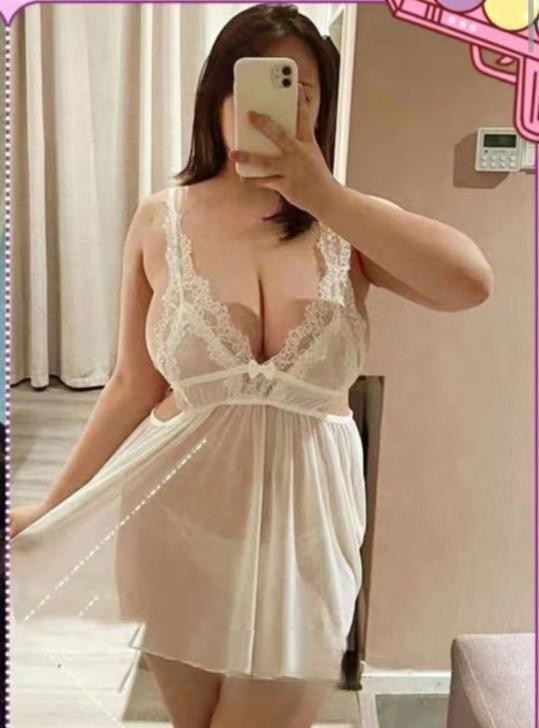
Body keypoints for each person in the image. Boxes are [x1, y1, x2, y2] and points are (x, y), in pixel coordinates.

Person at [9, 4, 493, 728]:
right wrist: (52, 508)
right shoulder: (160, 219)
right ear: (217, 96)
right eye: (260, 80)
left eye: (302, 89)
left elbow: (468, 284)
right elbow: (132, 384)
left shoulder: (349, 224)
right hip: (175, 522)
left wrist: (324, 195)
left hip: (307, 532)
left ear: (321, 108)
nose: (279, 104)